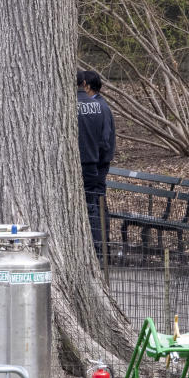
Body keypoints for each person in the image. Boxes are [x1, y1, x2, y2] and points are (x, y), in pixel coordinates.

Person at [77, 70, 113, 248]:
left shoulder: (100, 106)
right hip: (97, 162)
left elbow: (104, 139)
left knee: (95, 206)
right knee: (97, 204)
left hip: (97, 164)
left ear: (87, 86)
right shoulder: (99, 106)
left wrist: (99, 161)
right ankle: (101, 246)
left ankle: (100, 248)